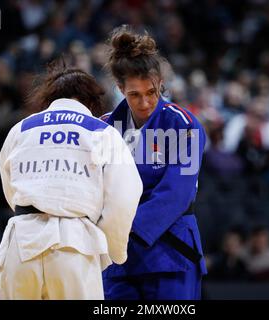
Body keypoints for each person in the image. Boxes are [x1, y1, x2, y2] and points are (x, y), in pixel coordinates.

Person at [0, 58, 143, 300]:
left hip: (19, 243)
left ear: (49, 98)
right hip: (75, 247)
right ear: (92, 102)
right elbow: (124, 198)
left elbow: (10, 189)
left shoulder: (20, 129)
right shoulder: (102, 132)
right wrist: (112, 250)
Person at [101, 25, 207, 300]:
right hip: (117, 260)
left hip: (170, 252)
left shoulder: (182, 125)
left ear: (160, 82)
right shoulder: (104, 129)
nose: (145, 102)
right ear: (120, 88)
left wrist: (125, 231)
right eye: (134, 94)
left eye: (151, 91)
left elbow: (176, 193)